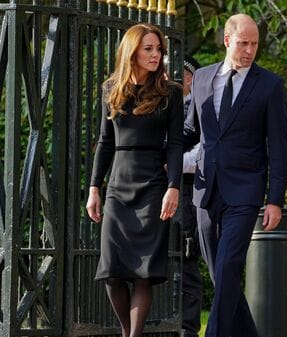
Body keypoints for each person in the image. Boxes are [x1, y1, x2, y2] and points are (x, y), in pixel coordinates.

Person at [183, 14, 287, 337]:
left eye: (254, 44)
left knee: (229, 265)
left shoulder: (270, 85)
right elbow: (190, 130)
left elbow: (280, 148)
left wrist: (275, 200)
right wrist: (158, 150)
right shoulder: (202, 77)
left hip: (245, 191)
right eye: (243, 43)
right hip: (204, 189)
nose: (249, 50)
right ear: (227, 41)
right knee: (221, 272)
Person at [86, 23, 183, 337]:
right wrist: (94, 188)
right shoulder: (111, 88)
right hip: (117, 186)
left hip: (153, 186)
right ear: (132, 51)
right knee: (113, 272)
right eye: (149, 49)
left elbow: (177, 144)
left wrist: (174, 187)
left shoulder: (171, 93)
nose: (156, 55)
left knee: (143, 273)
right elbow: (104, 141)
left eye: (159, 50)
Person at [171, 54, 203, 337]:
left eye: (179, 73)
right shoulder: (162, 103)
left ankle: (188, 328)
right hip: (158, 187)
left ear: (191, 77)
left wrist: (170, 161)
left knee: (186, 253)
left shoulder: (202, 106)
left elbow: (202, 153)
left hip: (187, 188)